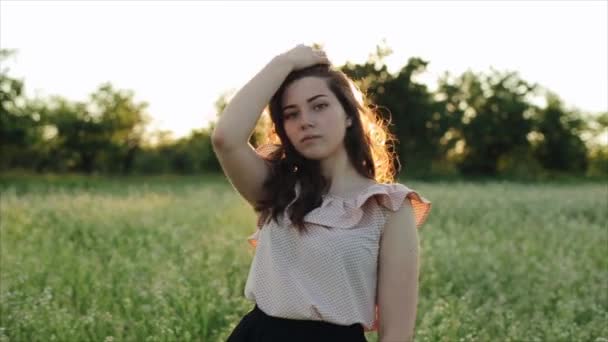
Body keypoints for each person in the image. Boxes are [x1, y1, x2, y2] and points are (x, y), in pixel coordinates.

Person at [211, 44, 432, 342]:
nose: (306, 121)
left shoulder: (388, 207)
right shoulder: (277, 188)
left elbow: (396, 333)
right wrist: (284, 62)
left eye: (319, 106)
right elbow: (226, 138)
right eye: (291, 114)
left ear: (349, 115)